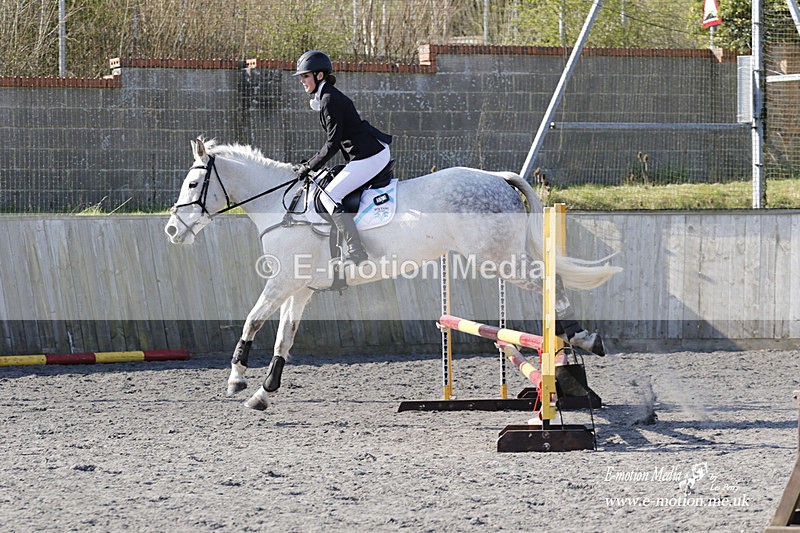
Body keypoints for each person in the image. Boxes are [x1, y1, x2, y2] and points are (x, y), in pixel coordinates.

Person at [291, 50, 392, 264]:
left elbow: (332, 143)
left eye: (305, 75)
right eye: (301, 77)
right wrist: (311, 165)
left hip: (370, 155)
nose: (302, 81)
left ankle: (357, 250)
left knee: (330, 195)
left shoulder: (329, 99)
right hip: (365, 152)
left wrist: (309, 167)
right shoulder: (326, 97)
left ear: (319, 75)